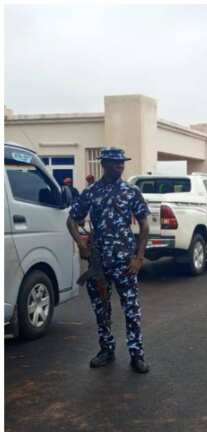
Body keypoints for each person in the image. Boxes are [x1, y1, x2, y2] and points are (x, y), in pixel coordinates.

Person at [66, 148, 151, 374]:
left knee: (131, 309)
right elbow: (72, 220)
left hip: (125, 262)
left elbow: (144, 225)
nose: (121, 166)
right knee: (101, 309)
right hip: (98, 264)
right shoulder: (91, 192)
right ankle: (106, 350)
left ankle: (137, 354)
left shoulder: (131, 191)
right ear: (104, 164)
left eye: (122, 162)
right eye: (115, 163)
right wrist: (81, 244)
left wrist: (139, 257)